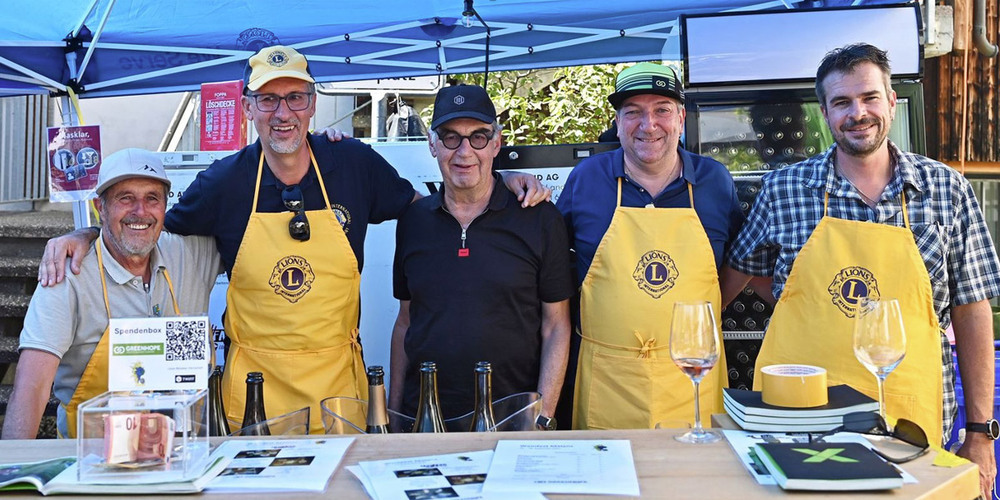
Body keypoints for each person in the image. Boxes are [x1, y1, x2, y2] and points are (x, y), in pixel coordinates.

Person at [37, 46, 548, 435]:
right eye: (268, 100)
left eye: (295, 98)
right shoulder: (222, 182)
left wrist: (495, 183)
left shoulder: (354, 164)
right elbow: (145, 227)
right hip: (252, 395)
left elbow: (431, 207)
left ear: (312, 105)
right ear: (247, 108)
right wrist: (86, 231)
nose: (283, 113)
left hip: (337, 393)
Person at [721, 43, 998, 497]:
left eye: (870, 97)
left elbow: (972, 310)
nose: (858, 113)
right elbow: (741, 271)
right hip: (802, 421)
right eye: (842, 102)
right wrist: (806, 303)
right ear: (826, 114)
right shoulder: (785, 188)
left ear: (891, 100)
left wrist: (981, 434)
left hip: (910, 422)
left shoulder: (946, 188)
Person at [556, 62, 744, 430]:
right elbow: (549, 261)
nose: (648, 125)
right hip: (607, 379)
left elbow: (739, 262)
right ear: (617, 120)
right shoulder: (586, 179)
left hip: (693, 376)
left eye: (662, 110)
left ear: (680, 117)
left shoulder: (715, 181)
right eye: (633, 113)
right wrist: (511, 180)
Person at [2, 148, 221, 439]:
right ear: (100, 208)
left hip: (182, 453)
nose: (140, 211)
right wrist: (12, 472)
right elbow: (32, 387)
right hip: (92, 461)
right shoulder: (66, 274)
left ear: (165, 207)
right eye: (125, 198)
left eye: (152, 198)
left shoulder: (191, 254)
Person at [390, 84, 573, 427]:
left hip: (512, 417)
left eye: (478, 137)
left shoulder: (540, 219)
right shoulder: (413, 221)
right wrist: (394, 412)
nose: (464, 152)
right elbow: (405, 323)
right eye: (450, 137)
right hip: (426, 418)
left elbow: (556, 326)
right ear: (432, 144)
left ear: (496, 144)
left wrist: (542, 417)